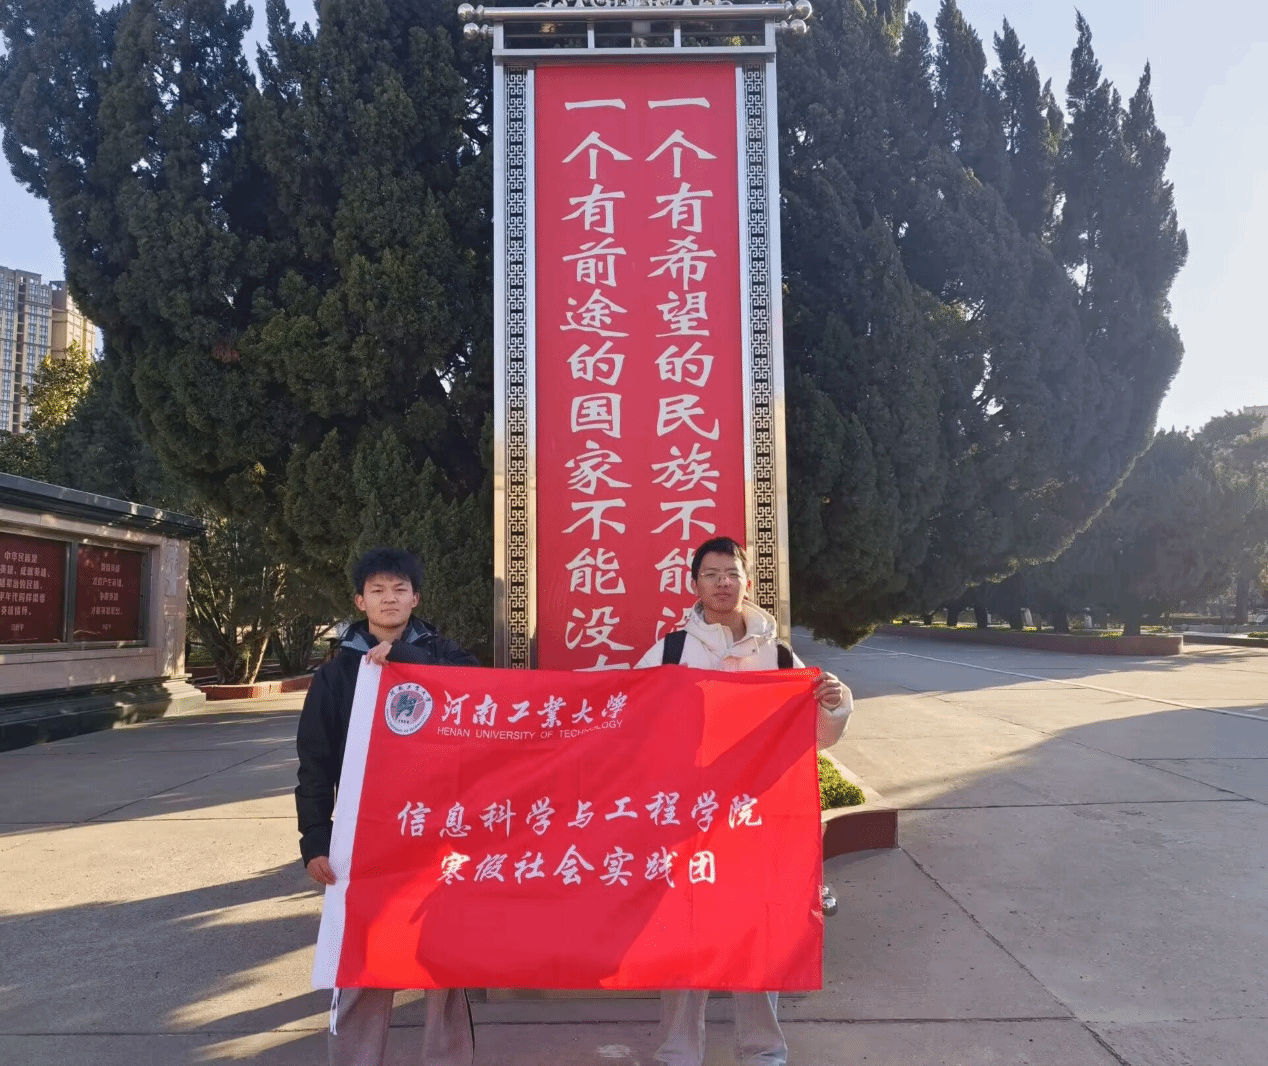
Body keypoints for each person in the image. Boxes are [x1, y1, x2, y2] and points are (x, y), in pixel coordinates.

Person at [634, 536, 853, 1066]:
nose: (723, 583)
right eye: (711, 574)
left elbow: (815, 736)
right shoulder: (669, 652)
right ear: (694, 584)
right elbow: (632, 723)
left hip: (757, 818)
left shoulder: (777, 654)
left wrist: (835, 704)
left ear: (747, 582)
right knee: (684, 934)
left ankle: (762, 1049)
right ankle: (677, 1050)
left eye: (732, 573)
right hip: (688, 820)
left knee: (758, 933)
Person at [296, 547, 480, 1066]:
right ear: (360, 601)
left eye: (400, 589)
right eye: (377, 590)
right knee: (362, 954)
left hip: (436, 832)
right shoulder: (336, 673)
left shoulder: (444, 654)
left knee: (442, 959)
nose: (389, 599)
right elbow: (314, 764)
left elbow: (480, 692)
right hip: (365, 837)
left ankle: (447, 1059)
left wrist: (406, 661)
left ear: (416, 598)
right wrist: (315, 840)